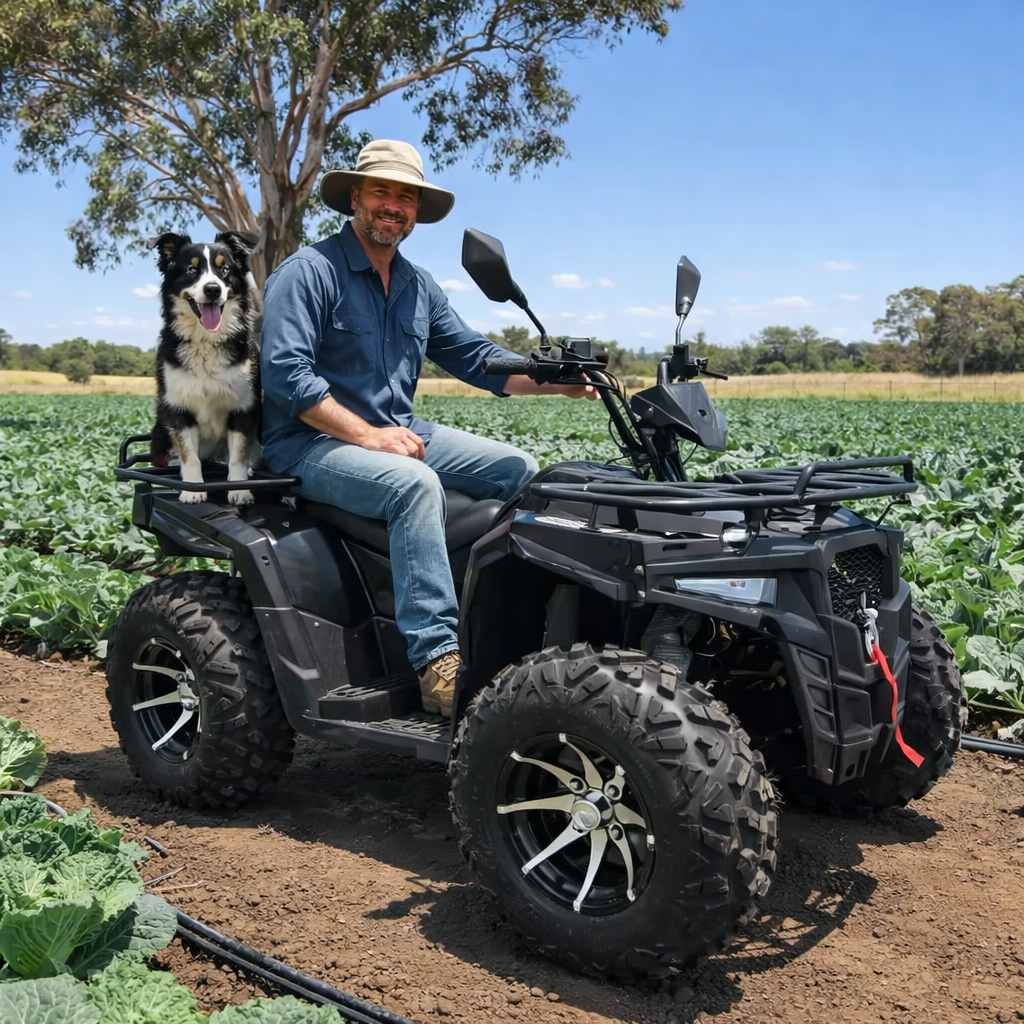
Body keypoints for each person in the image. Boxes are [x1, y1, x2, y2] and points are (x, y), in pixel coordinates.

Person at [260, 139, 595, 717]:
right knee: (414, 485)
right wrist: (368, 436)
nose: (394, 205)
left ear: (417, 210)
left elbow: (476, 359)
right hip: (308, 441)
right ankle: (436, 658)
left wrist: (559, 380)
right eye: (382, 192)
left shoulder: (417, 286)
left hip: (399, 427)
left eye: (406, 197)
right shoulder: (308, 272)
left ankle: (502, 620)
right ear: (356, 198)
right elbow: (287, 378)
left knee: (520, 471)